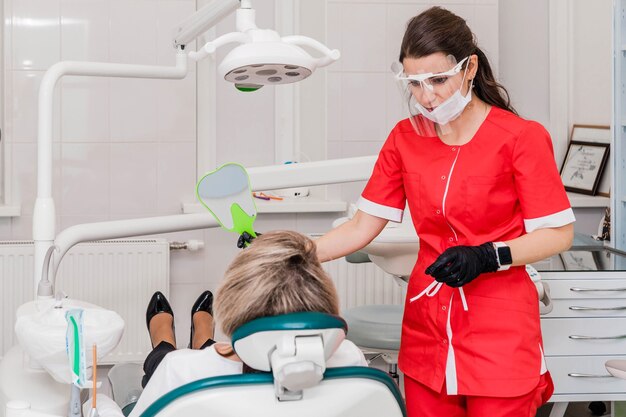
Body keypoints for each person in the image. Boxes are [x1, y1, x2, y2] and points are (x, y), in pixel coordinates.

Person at [315, 7, 574, 417]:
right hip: (427, 329)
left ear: (469, 68)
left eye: (437, 80)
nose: (426, 96)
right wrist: (290, 252)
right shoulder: (405, 137)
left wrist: (489, 255)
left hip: (499, 331)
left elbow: (558, 234)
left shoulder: (521, 138)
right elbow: (363, 225)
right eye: (414, 83)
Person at [128, 230, 366, 417]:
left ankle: (170, 341)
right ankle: (203, 336)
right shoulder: (350, 358)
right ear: (325, 298)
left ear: (232, 304)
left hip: (187, 367)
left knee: (163, 360)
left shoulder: (181, 370)